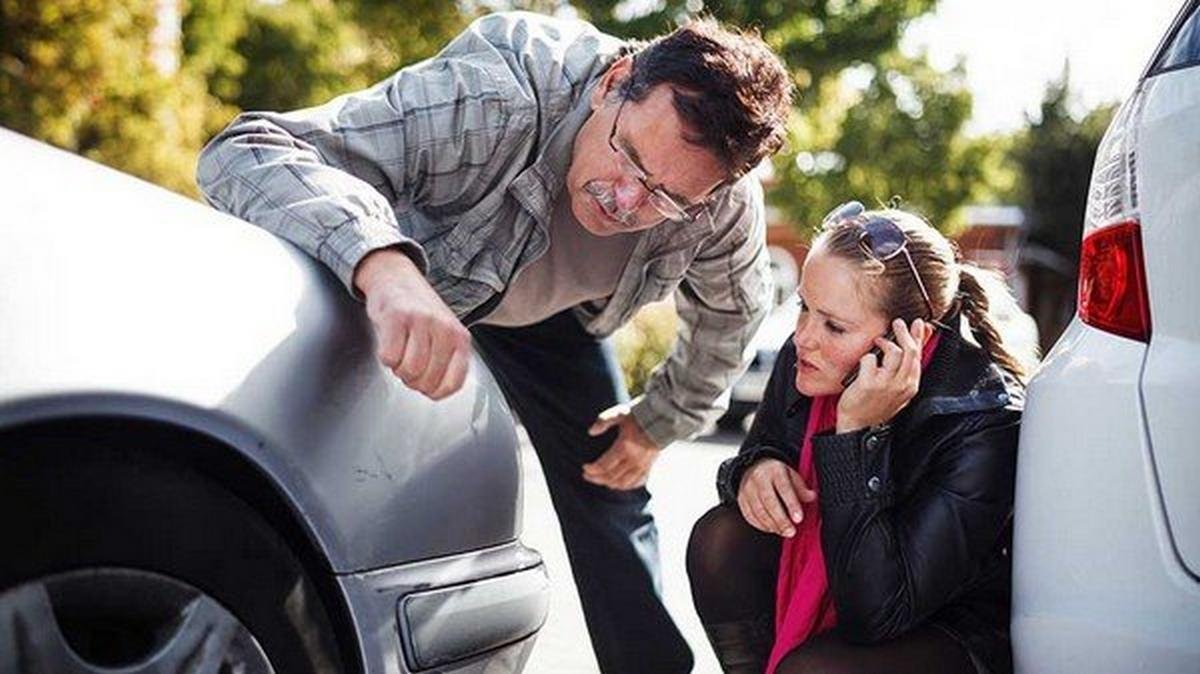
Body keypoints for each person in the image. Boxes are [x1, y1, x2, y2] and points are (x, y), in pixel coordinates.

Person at [197, 11, 792, 673]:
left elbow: (732, 319)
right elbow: (250, 150)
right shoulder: (497, 96)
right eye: (628, 157)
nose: (625, 202)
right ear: (613, 84)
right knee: (309, 454)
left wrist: (658, 424)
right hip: (412, 274)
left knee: (612, 489)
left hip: (555, 320)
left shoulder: (721, 210)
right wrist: (385, 266)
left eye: (664, 197)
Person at [686, 201, 1027, 674]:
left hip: (946, 629)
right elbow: (756, 452)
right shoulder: (811, 357)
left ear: (908, 338)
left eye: (834, 326)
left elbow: (879, 612)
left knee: (812, 671)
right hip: (850, 579)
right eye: (805, 307)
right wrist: (756, 469)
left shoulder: (981, 419)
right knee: (722, 539)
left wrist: (856, 435)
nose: (803, 336)